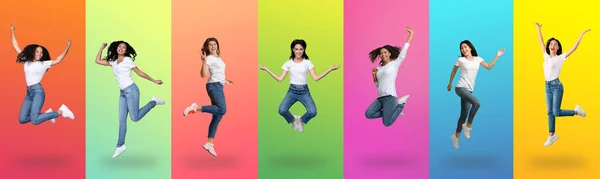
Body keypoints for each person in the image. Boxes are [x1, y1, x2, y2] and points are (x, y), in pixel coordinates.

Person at [95, 41, 166, 158]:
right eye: (120, 46)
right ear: (116, 48)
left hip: (132, 91)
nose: (121, 48)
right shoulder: (113, 61)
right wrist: (102, 47)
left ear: (126, 51)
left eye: (124, 47)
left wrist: (154, 80)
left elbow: (139, 72)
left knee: (135, 118)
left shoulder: (128, 60)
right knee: (121, 120)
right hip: (122, 93)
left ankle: (153, 102)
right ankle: (120, 145)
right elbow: (97, 61)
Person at [259, 39, 339, 132]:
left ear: (304, 50)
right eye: (296, 49)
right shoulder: (288, 63)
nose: (298, 51)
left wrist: (330, 69)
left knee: (313, 112)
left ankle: (301, 120)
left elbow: (316, 78)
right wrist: (267, 70)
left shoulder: (307, 63)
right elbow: (280, 79)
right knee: (282, 110)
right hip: (292, 91)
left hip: (304, 91)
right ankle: (293, 120)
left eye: (301, 49)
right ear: (293, 49)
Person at [535, 22, 590, 147]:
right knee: (549, 112)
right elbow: (541, 40)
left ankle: (576, 111)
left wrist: (581, 34)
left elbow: (574, 48)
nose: (552, 45)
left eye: (555, 44)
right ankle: (551, 135)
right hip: (547, 86)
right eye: (551, 44)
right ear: (549, 46)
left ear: (558, 48)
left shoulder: (560, 58)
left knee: (556, 112)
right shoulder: (546, 56)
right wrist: (538, 28)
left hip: (556, 86)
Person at [11, 24, 75, 125]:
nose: (39, 54)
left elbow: (58, 60)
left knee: (35, 120)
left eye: (41, 53)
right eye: (37, 52)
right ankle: (47, 114)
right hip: (29, 93)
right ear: (33, 52)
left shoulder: (43, 64)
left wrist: (68, 46)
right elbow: (15, 45)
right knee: (22, 119)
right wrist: (12, 30)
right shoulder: (25, 61)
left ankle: (61, 111)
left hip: (38, 92)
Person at [447, 40, 505, 149]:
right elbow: (454, 71)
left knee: (463, 115)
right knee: (477, 103)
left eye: (465, 47)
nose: (463, 49)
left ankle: (456, 137)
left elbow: (488, 67)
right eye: (461, 48)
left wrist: (497, 56)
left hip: (469, 90)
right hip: (460, 87)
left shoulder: (478, 59)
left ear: (470, 48)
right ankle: (468, 126)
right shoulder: (460, 60)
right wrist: (450, 83)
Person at [183, 37, 233, 157]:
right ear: (207, 47)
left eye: (214, 44)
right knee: (222, 110)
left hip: (219, 85)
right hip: (213, 86)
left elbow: (218, 72)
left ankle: (209, 144)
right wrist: (204, 61)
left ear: (217, 46)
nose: (213, 46)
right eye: (210, 45)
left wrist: (225, 80)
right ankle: (195, 108)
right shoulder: (209, 58)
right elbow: (203, 74)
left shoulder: (218, 58)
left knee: (217, 116)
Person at [364, 27, 414, 127]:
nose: (383, 54)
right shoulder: (378, 68)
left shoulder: (394, 64)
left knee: (386, 123)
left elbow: (403, 53)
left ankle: (400, 106)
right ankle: (394, 112)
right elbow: (377, 85)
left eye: (385, 52)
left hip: (390, 97)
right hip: (380, 98)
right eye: (381, 53)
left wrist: (411, 35)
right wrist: (373, 75)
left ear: (389, 53)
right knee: (368, 114)